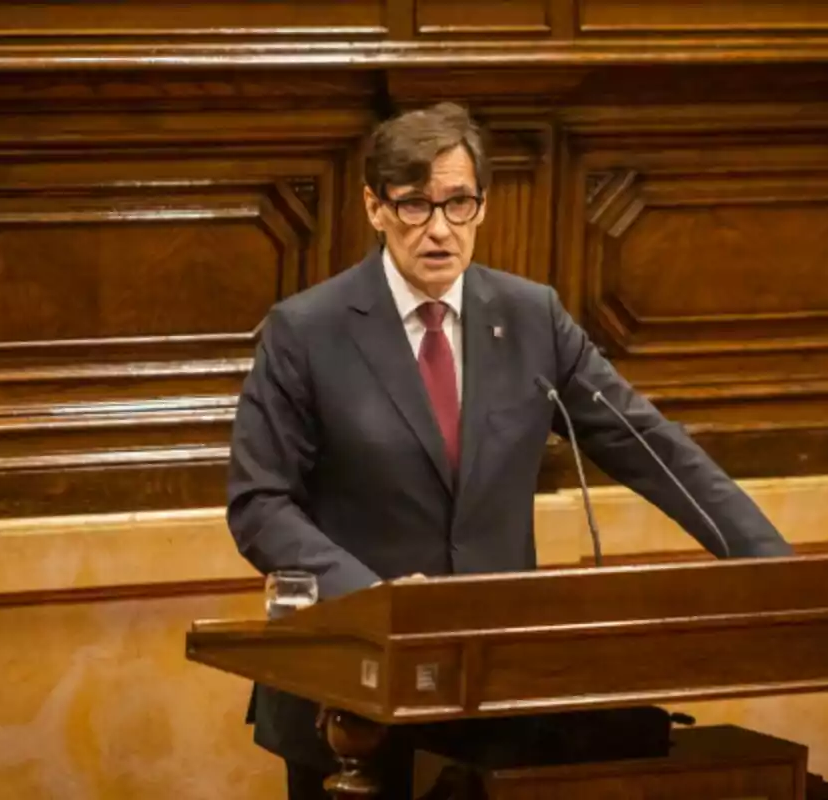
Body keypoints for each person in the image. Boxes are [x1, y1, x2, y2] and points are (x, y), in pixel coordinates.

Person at [226, 101, 793, 799]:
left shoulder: (532, 318)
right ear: (374, 207)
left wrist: (771, 568)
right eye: (414, 206)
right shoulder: (306, 330)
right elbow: (260, 504)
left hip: (492, 693)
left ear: (482, 207)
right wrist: (369, 600)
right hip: (349, 697)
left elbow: (649, 445)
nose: (439, 230)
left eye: (458, 203)